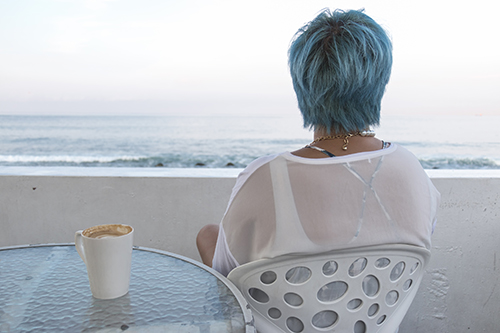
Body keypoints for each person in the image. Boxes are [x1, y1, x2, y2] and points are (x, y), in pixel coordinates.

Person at [197, 8, 440, 277]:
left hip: (278, 321)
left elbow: (225, 276)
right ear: (379, 82)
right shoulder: (413, 171)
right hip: (381, 319)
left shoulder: (265, 178)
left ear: (303, 83)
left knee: (207, 235)